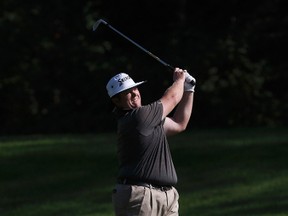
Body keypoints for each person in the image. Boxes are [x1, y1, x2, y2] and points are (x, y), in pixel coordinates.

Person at [106, 67, 195, 216]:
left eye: (135, 88)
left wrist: (189, 90)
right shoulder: (138, 117)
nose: (135, 93)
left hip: (167, 197)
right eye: (127, 92)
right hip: (140, 197)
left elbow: (180, 123)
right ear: (116, 100)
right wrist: (180, 80)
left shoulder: (148, 120)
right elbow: (172, 98)